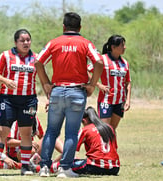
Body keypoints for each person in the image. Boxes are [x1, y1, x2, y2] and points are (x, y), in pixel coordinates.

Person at [34, 12, 103, 178]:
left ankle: (44, 168)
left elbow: (38, 61)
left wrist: (46, 84)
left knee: (51, 131)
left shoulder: (54, 42)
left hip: (57, 91)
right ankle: (64, 169)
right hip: (77, 92)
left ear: (63, 27)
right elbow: (99, 62)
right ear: (80, 27)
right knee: (71, 133)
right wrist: (92, 85)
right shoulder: (85, 43)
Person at [0, 29, 38, 176]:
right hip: (8, 99)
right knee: (2, 131)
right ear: (15, 42)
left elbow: (42, 76)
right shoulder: (6, 55)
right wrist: (6, 80)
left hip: (28, 100)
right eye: (22, 40)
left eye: (28, 40)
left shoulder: (36, 58)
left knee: (26, 132)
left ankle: (25, 166)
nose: (26, 43)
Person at [47, 106, 120, 176]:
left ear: (84, 120)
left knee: (65, 165)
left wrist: (55, 161)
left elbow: (69, 150)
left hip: (95, 167)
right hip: (114, 168)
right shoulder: (109, 128)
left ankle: (39, 168)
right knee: (76, 160)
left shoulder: (86, 130)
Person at [88, 35, 131, 130]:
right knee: (104, 130)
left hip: (119, 102)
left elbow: (128, 82)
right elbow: (86, 70)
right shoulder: (102, 59)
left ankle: (111, 145)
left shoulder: (125, 63)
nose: (125, 47)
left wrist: (127, 100)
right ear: (113, 47)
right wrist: (98, 84)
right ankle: (101, 145)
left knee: (112, 130)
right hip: (106, 101)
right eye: (122, 45)